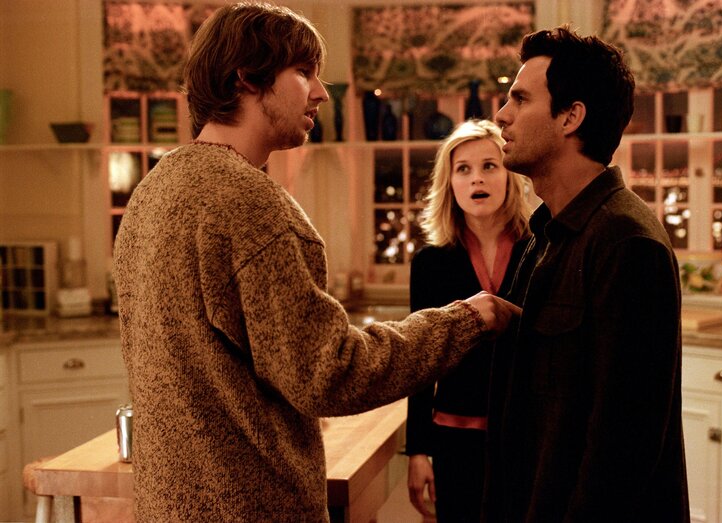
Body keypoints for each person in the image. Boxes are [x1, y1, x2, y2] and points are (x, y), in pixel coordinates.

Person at [112, 3, 520, 521]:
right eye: (304, 72)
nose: (322, 93)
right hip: (250, 509)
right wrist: (467, 319)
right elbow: (329, 372)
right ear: (247, 79)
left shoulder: (152, 193)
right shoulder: (249, 203)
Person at [484, 26, 690, 521]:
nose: (501, 115)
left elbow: (622, 453)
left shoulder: (626, 242)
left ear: (570, 117)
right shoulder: (545, 234)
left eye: (520, 99)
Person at [405, 120, 533, 522]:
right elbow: (421, 361)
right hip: (454, 437)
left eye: (489, 166)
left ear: (510, 175)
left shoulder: (540, 251)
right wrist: (417, 451)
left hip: (528, 438)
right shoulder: (430, 263)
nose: (477, 178)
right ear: (450, 183)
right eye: (463, 169)